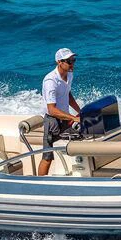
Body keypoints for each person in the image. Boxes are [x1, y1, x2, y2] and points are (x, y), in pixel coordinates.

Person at [38, 48, 81, 176]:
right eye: (69, 61)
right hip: (52, 121)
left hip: (65, 118)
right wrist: (74, 118)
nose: (72, 63)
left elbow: (67, 94)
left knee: (78, 139)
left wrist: (80, 111)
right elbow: (52, 110)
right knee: (47, 157)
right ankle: (39, 184)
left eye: (73, 60)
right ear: (59, 62)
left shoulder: (69, 74)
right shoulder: (50, 81)